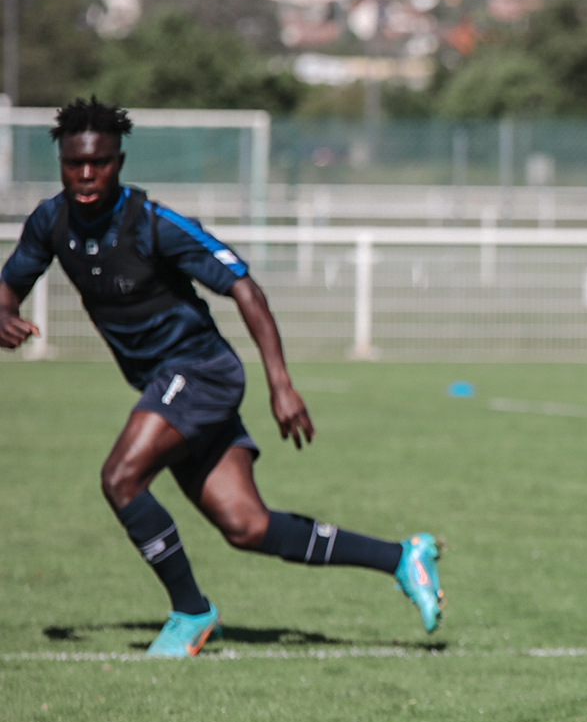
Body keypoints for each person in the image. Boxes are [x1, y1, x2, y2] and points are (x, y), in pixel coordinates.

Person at [0, 98, 443, 658]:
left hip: (200, 372)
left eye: (101, 163)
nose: (86, 175)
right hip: (164, 385)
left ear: (120, 162)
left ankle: (190, 611)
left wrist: (281, 384)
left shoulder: (155, 225)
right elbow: (10, 285)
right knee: (247, 526)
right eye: (74, 164)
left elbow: (245, 289)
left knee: (120, 478)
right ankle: (402, 557)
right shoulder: (50, 222)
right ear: (61, 163)